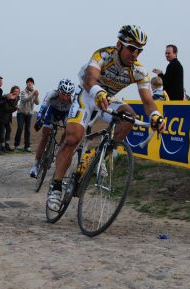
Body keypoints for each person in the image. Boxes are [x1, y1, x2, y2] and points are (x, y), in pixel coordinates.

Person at [46, 25, 163, 211]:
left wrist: (156, 116)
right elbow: (89, 79)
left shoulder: (140, 71)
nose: (135, 54)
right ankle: (56, 186)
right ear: (119, 45)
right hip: (87, 94)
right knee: (72, 138)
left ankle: (100, 155)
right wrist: (98, 92)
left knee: (129, 118)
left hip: (108, 99)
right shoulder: (103, 55)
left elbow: (148, 101)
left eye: (139, 50)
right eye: (131, 48)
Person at [30, 78, 75, 178]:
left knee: (68, 130)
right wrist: (39, 119)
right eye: (63, 94)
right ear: (58, 91)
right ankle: (36, 165)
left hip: (65, 114)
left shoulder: (73, 100)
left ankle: (60, 148)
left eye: (68, 95)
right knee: (45, 135)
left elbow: (74, 116)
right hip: (52, 111)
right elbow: (43, 108)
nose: (65, 97)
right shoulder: (51, 94)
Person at [15, 77, 39, 152]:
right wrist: (33, 94)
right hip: (21, 113)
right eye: (28, 82)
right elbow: (25, 99)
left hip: (29, 113)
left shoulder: (34, 92)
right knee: (20, 128)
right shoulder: (23, 92)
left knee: (27, 130)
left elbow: (37, 103)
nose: (30, 83)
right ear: (26, 84)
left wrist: (37, 96)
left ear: (33, 84)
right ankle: (16, 145)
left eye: (31, 82)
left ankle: (27, 146)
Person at [0, 86, 20, 152]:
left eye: (18, 91)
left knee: (8, 130)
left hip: (8, 117)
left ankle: (7, 145)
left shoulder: (17, 98)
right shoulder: (7, 97)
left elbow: (12, 108)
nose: (16, 93)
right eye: (15, 91)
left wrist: (15, 107)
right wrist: (15, 108)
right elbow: (6, 108)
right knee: (2, 131)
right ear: (12, 91)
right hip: (2, 116)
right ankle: (2, 146)